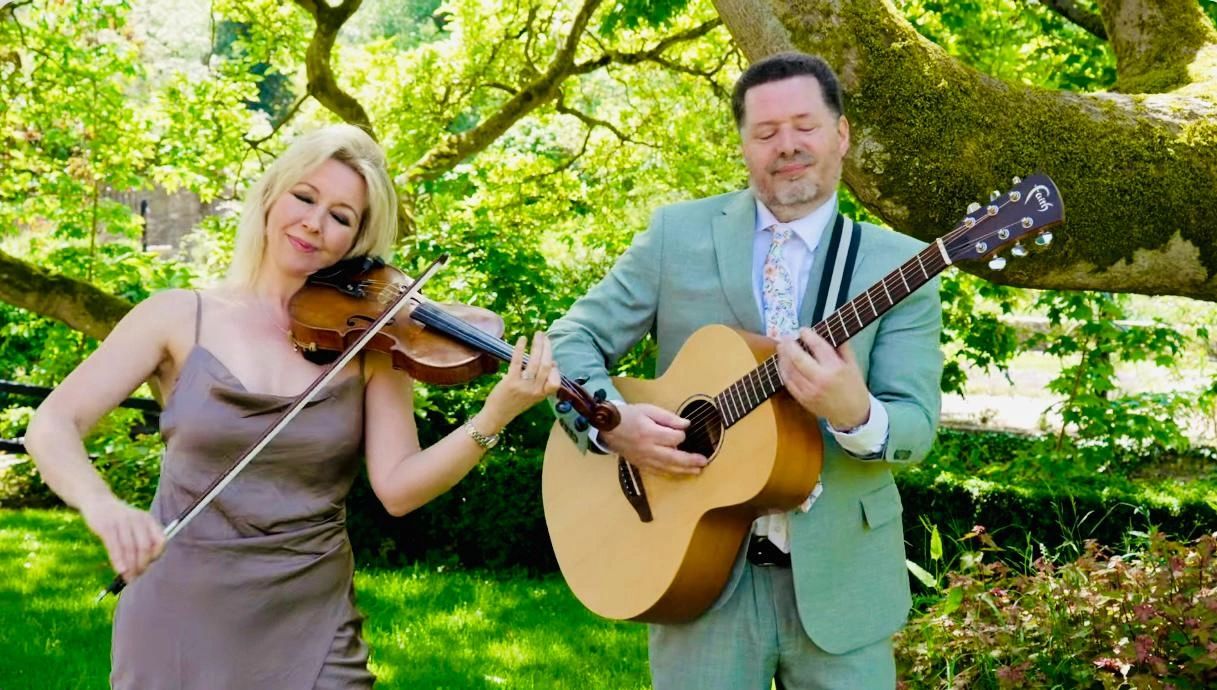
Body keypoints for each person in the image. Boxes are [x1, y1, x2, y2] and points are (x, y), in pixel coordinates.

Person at [25, 124, 561, 689]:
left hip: (313, 614)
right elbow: (53, 423)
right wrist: (103, 508)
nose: (314, 223)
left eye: (341, 216)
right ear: (270, 195)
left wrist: (494, 415)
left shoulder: (372, 340)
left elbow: (399, 489)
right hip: (178, 612)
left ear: (356, 239)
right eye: (305, 197)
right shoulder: (178, 316)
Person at [548, 52, 942, 689]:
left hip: (843, 582)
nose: (787, 145)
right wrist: (610, 422)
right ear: (743, 145)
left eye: (805, 126)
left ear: (842, 135)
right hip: (695, 570)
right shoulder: (677, 235)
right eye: (765, 133)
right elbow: (572, 338)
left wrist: (855, 412)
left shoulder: (899, 266)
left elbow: (917, 426)